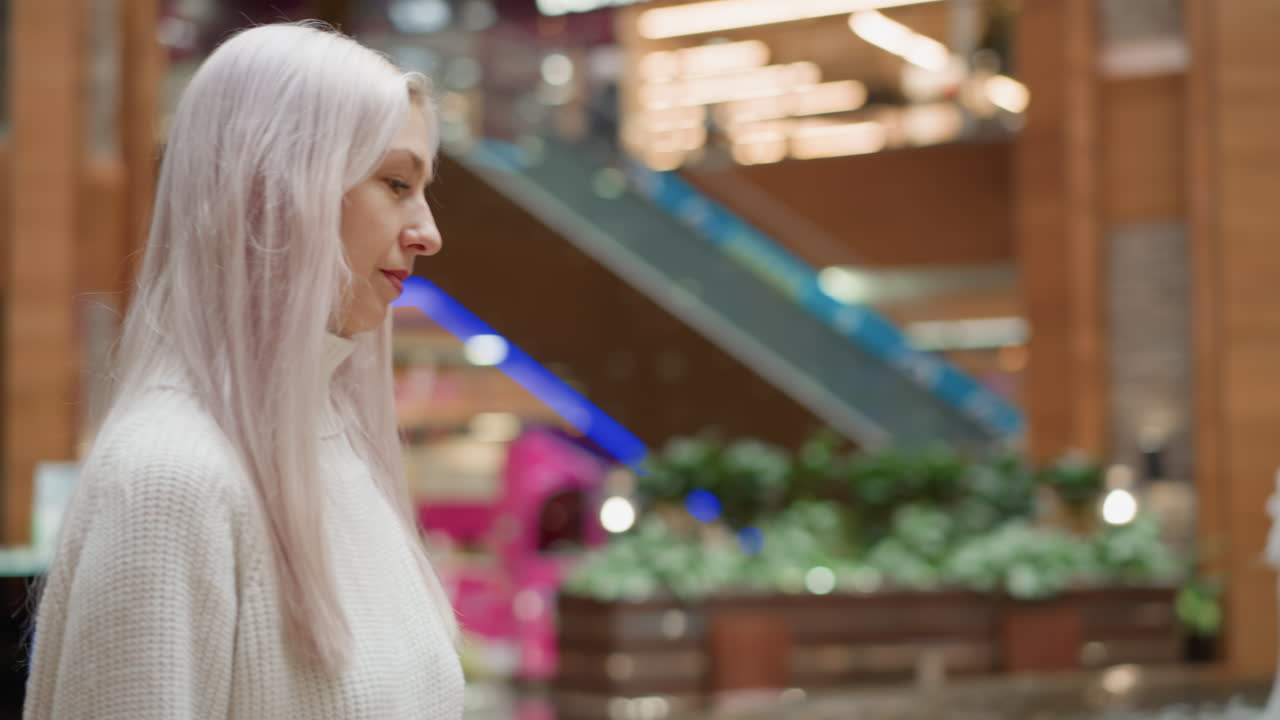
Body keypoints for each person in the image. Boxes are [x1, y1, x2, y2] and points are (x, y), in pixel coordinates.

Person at [23, 22, 463, 719]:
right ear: (277, 187)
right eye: (395, 182)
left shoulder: (338, 444)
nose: (427, 232)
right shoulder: (169, 483)